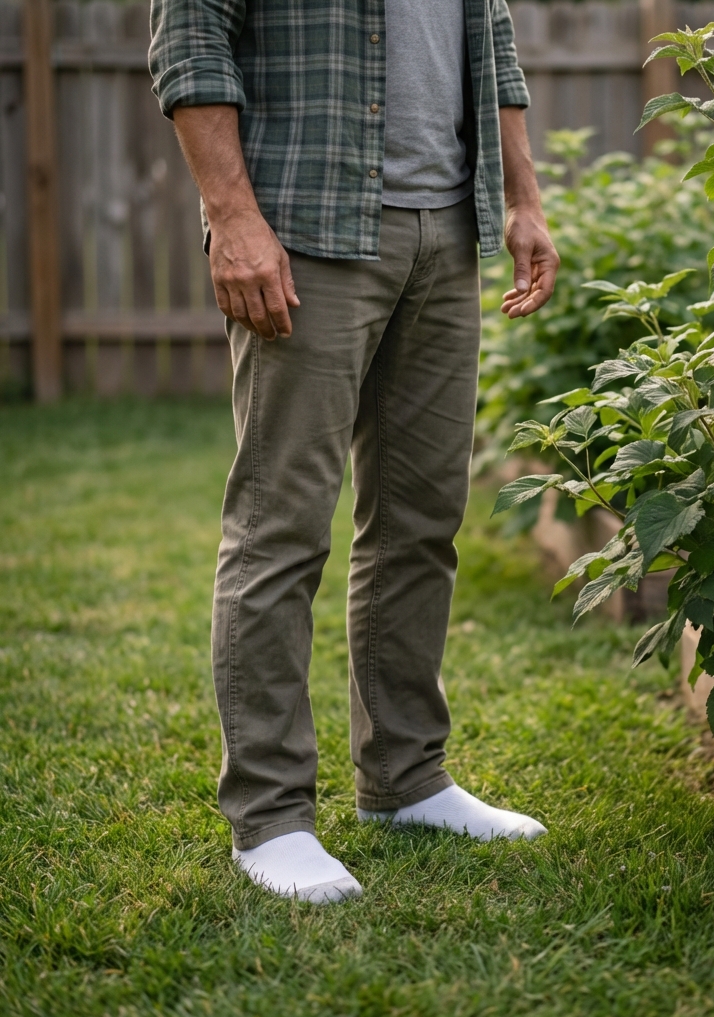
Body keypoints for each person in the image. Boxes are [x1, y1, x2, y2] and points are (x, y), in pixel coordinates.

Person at [149, 0, 559, 904]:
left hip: (447, 229)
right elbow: (190, 31)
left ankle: (407, 780)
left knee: (420, 521)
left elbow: (490, 40)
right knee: (279, 525)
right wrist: (233, 215)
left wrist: (524, 199)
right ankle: (271, 817)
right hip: (307, 223)